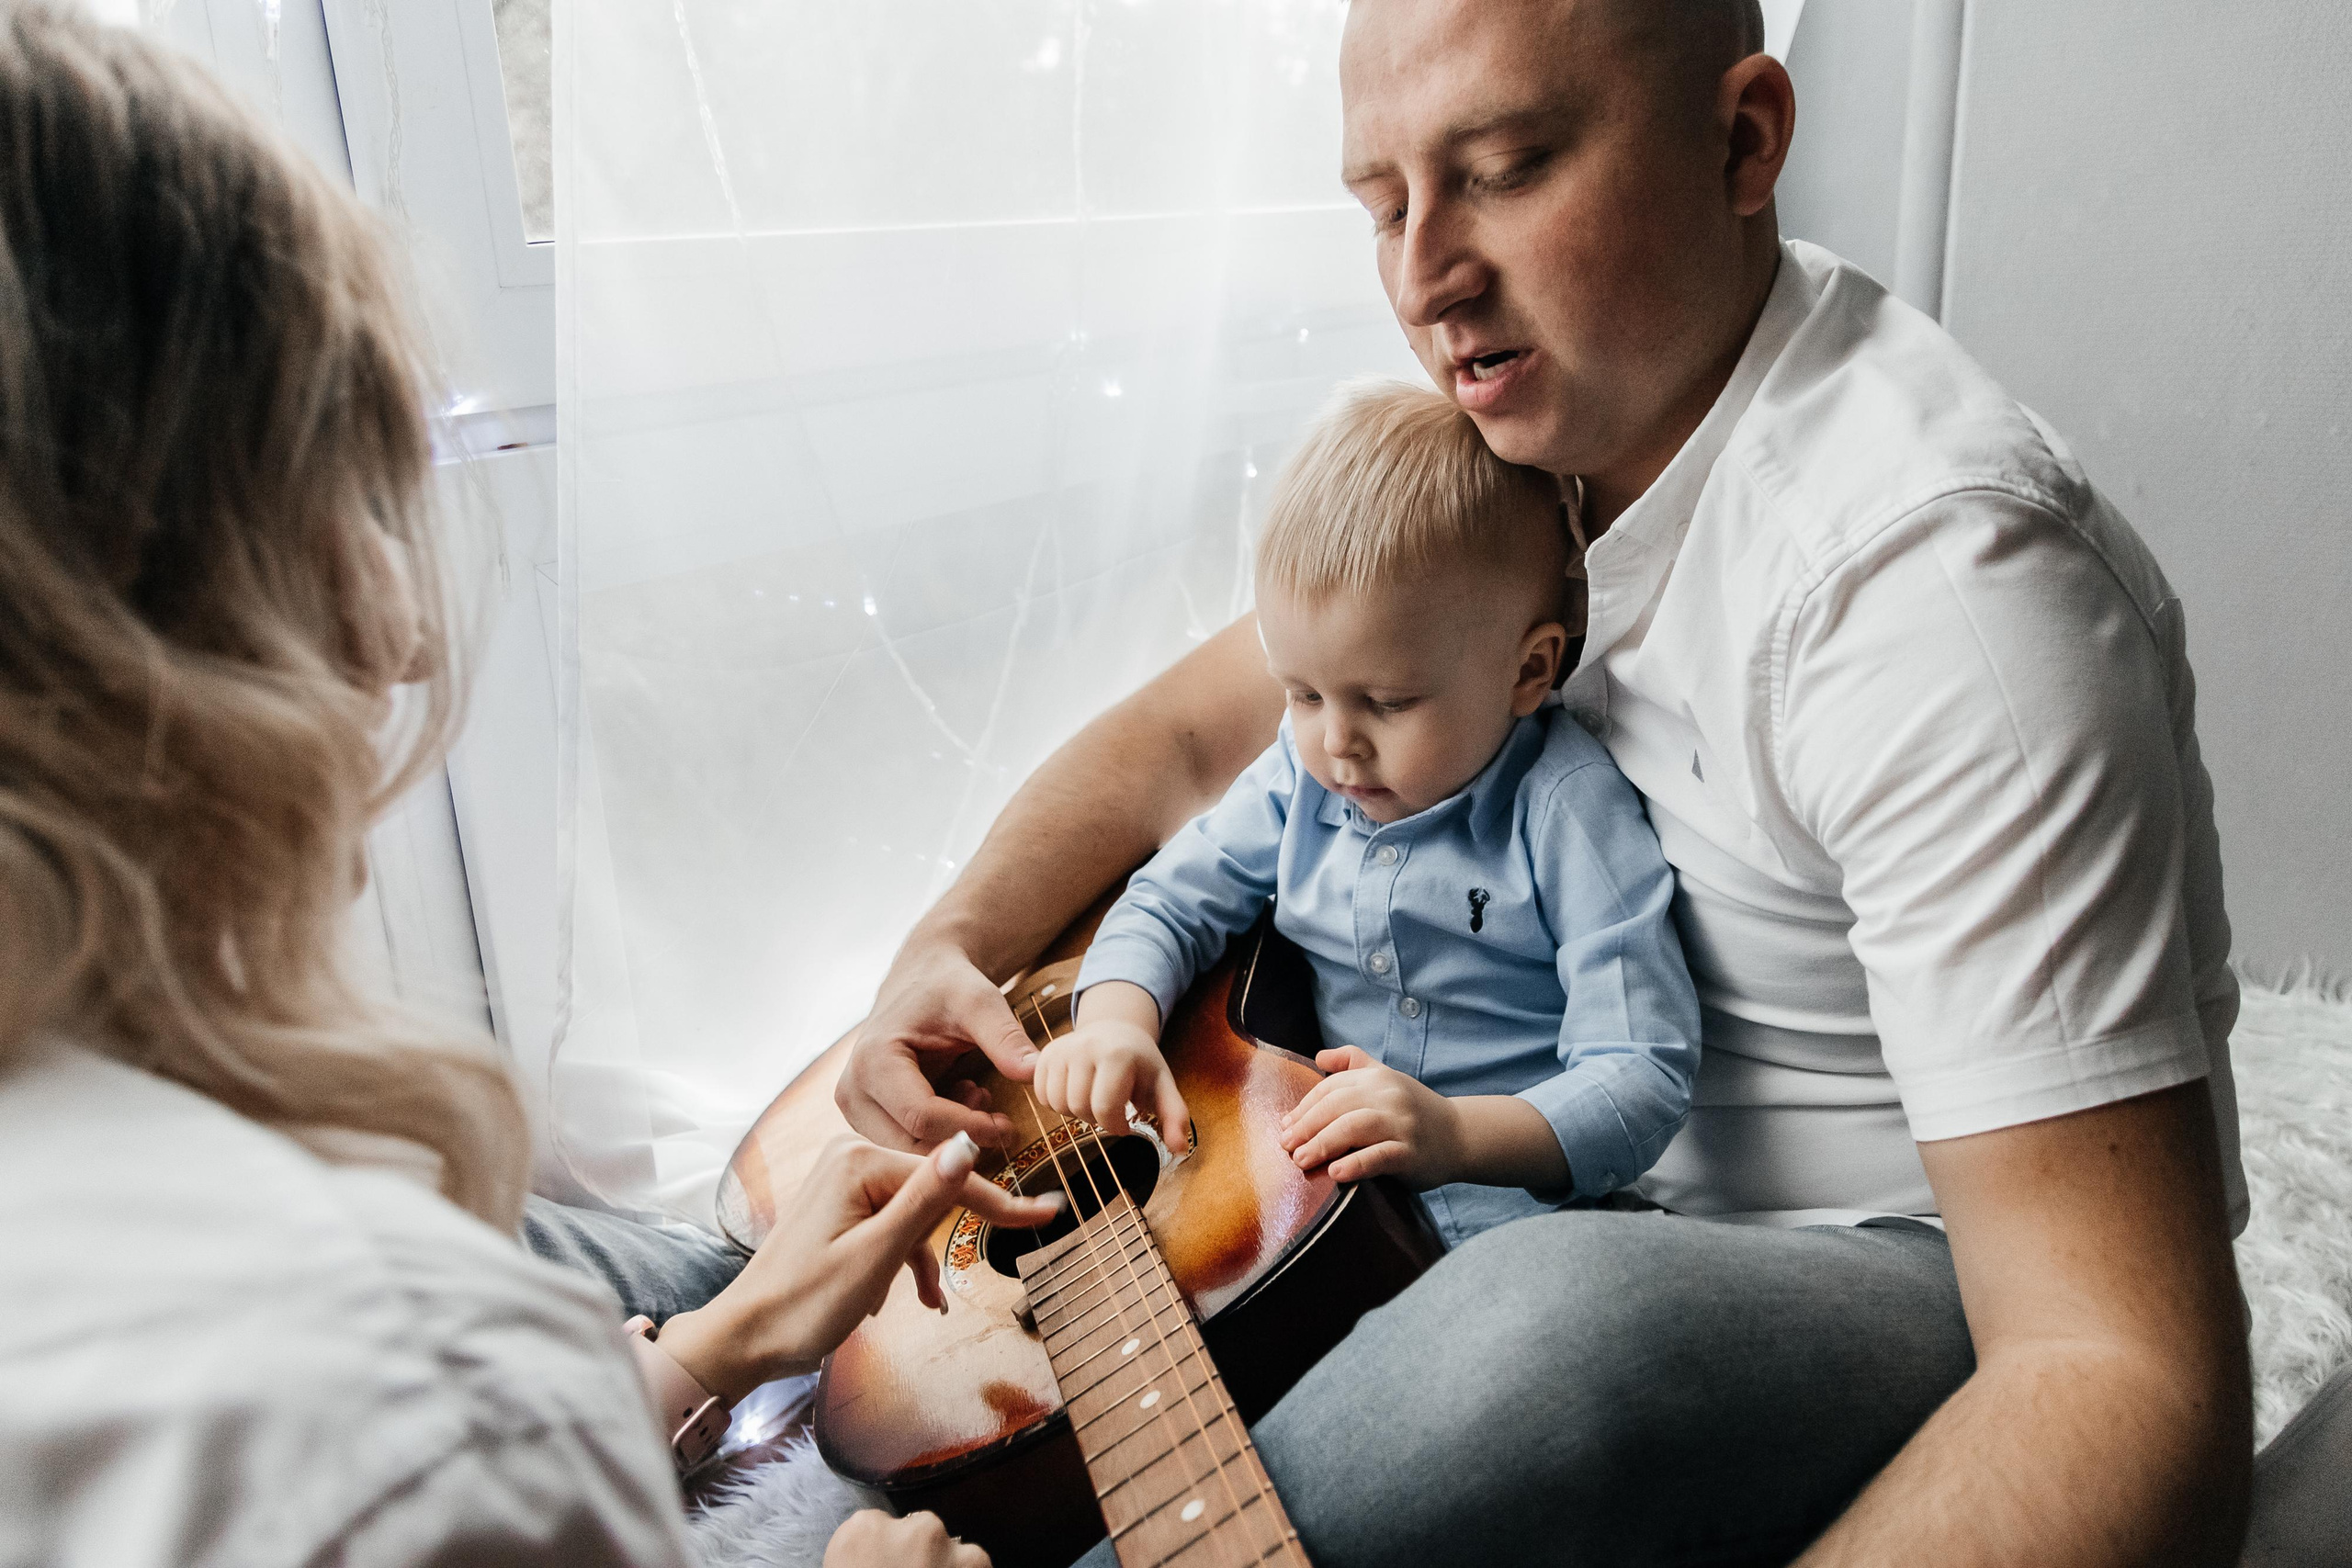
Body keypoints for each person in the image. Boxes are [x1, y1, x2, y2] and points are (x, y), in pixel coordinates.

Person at [835, 1, 2256, 1562]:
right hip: (1478, 1176)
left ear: (1745, 141)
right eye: (1382, 204)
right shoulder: (1523, 433)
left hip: (1854, 1259)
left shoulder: (1943, 592)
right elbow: (1187, 745)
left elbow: (2118, 1368)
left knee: (1544, 1332)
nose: (1423, 278)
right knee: (833, 1267)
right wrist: (948, 950)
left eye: (1504, 169)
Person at [0, 9, 1043, 1565]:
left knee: (689, 1266)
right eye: (341, 505)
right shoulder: (416, 1397)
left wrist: (713, 1346)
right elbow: (416, 1463)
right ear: (152, 613)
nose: (404, 637)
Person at [1041, 378, 1699, 1247]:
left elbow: (1640, 1073)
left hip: (1531, 1229)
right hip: (1316, 1218)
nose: (1337, 743)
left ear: (1528, 672)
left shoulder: (1566, 813)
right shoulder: (1299, 778)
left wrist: (1457, 1134)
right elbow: (1171, 899)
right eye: (1303, 692)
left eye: (1386, 702)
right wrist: (1115, 1025)